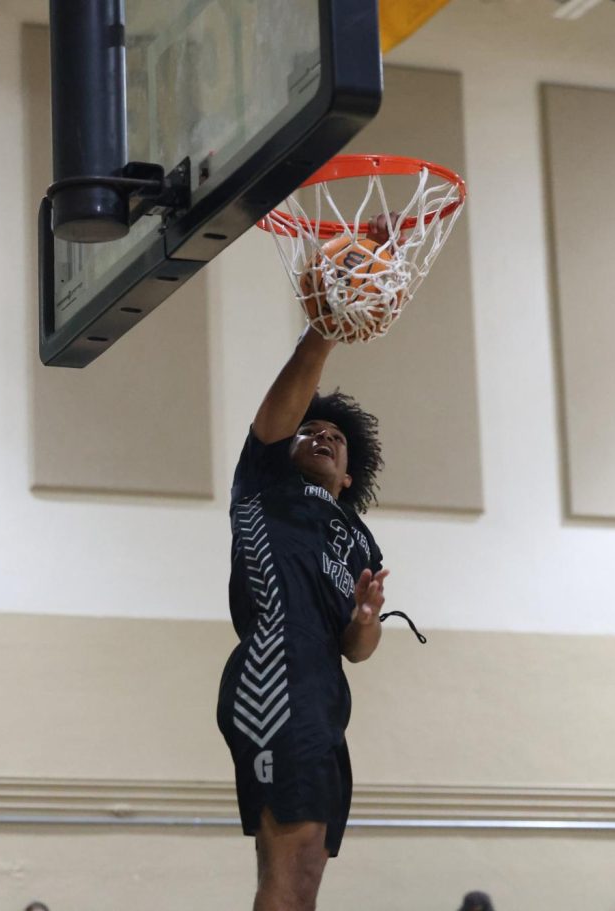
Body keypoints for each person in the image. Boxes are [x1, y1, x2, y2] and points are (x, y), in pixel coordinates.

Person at [215, 259, 409, 910]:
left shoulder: (358, 540)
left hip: (325, 696)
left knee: (304, 881)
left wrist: (363, 620)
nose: (322, 433)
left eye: (336, 437)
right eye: (311, 429)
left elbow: (359, 649)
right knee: (289, 874)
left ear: (350, 477)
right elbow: (284, 408)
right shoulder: (266, 482)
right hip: (276, 673)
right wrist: (325, 327)